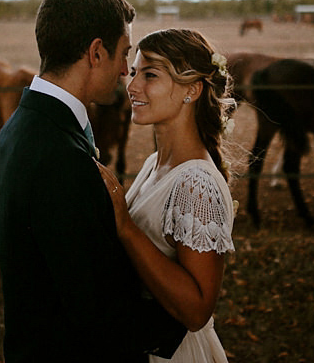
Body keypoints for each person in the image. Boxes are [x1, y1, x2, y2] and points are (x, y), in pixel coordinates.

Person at [0, 0, 186, 363]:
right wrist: (189, 316)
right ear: (96, 52)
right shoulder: (60, 159)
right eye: (124, 53)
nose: (126, 70)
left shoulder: (21, 126)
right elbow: (97, 312)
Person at [96, 28, 238, 363]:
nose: (131, 87)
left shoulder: (196, 184)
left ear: (192, 89)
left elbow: (196, 311)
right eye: (133, 73)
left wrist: (125, 227)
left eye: (150, 75)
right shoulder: (153, 163)